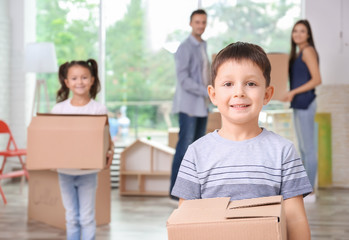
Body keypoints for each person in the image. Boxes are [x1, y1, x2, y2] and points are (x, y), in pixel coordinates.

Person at [171, 42, 313, 240]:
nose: (239, 92)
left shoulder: (283, 151)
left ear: (267, 94)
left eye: (251, 83)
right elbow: (185, 221)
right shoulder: (196, 153)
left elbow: (295, 220)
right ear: (213, 94)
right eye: (228, 84)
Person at [51, 59, 114, 240]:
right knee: (71, 217)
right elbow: (52, 141)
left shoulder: (98, 109)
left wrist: (110, 153)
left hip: (89, 171)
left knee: (86, 217)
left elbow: (106, 140)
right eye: (74, 78)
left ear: (92, 80)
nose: (80, 82)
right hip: (64, 171)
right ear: (67, 82)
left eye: (84, 77)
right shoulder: (59, 109)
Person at [170, 9, 210, 199]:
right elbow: (183, 79)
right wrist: (207, 92)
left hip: (202, 105)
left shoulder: (203, 46)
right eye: (197, 22)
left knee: (197, 150)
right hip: (188, 106)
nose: (200, 25)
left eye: (203, 22)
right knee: (184, 148)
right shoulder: (184, 47)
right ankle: (175, 192)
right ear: (190, 23)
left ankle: (192, 191)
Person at [284, 20, 321, 199]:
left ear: (308, 35)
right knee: (304, 149)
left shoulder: (307, 51)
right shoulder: (298, 53)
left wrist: (293, 92)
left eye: (302, 31)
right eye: (295, 31)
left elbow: (317, 80)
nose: (298, 34)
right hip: (299, 104)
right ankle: (306, 189)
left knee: (309, 149)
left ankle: (310, 191)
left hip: (306, 103)